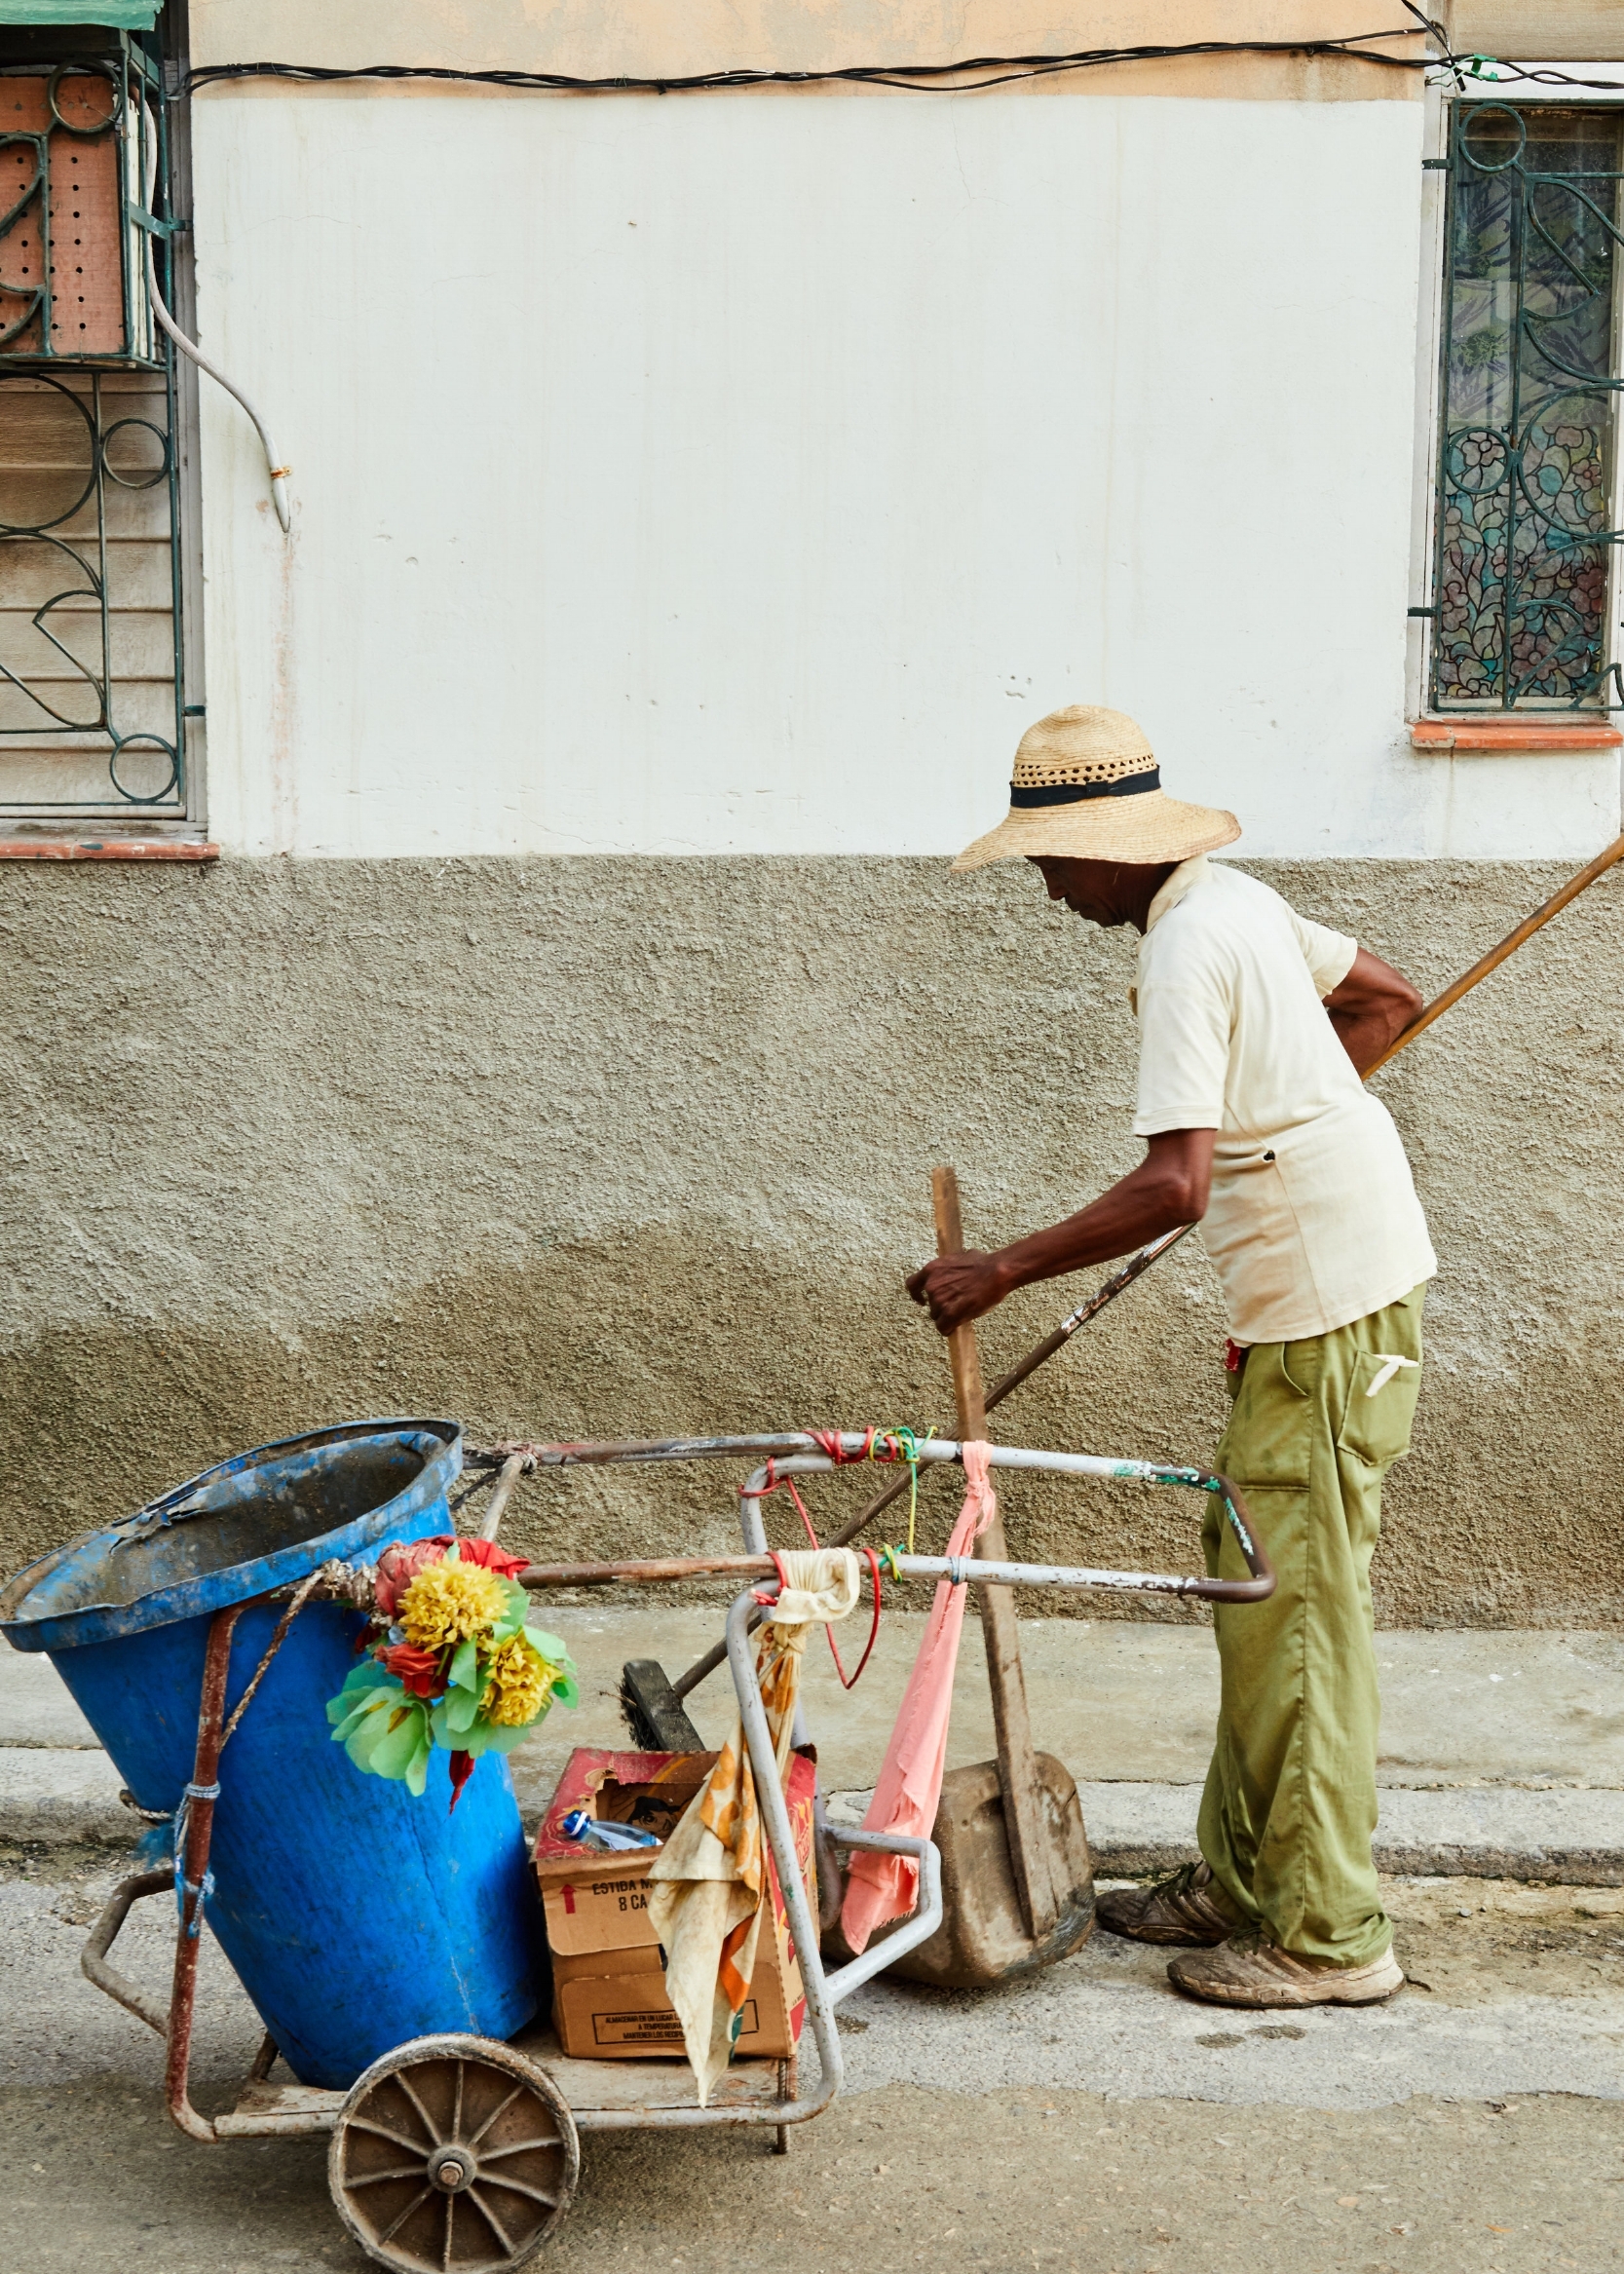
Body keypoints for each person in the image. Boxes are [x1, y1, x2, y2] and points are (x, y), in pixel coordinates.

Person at [908, 704, 1435, 2009]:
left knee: (1299, 1617)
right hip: (1310, 1303)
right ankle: (1246, 1877)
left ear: (1105, 845)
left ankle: (1329, 1936)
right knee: (1250, 1591)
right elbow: (1383, 1001)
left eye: (1048, 858)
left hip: (1330, 1311)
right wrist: (1294, 1176)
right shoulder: (1235, 903)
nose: (1041, 883)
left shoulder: (1195, 945)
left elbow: (1177, 1183)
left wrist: (1004, 1267)